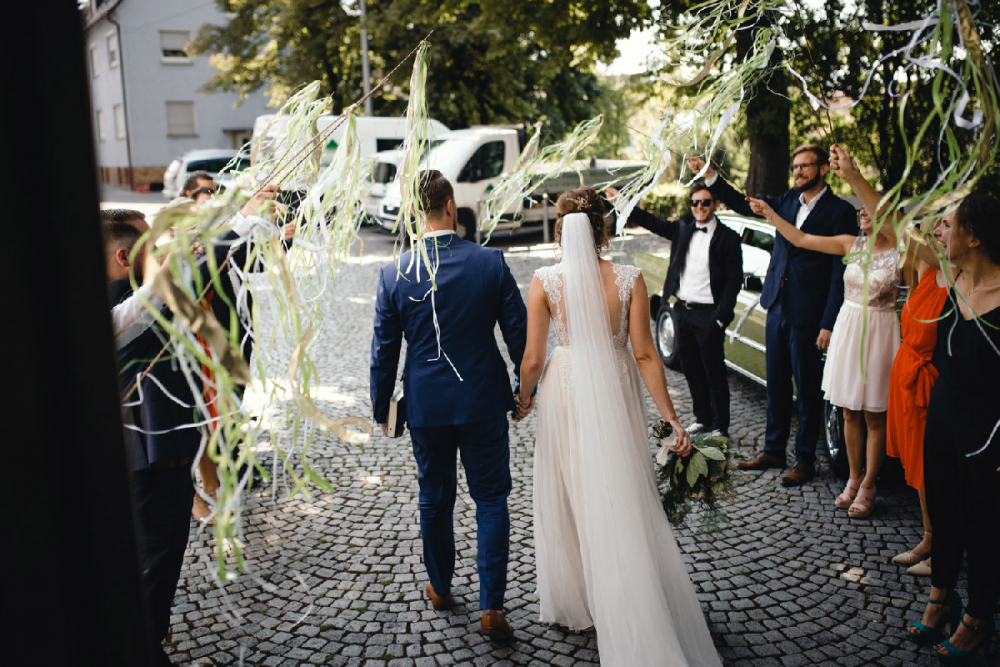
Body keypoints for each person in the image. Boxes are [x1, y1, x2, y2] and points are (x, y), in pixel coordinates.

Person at [518, 186, 722, 666]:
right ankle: (629, 594)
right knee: (621, 489)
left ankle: (585, 599)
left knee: (573, 491)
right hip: (615, 382)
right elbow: (647, 354)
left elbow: (532, 357)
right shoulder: (630, 278)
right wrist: (672, 419)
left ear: (559, 229)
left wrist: (523, 399)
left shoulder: (544, 281)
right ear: (603, 230)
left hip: (565, 389)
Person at [104, 190, 273, 665]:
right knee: (151, 571)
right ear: (123, 256)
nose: (157, 252)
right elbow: (165, 290)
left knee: (158, 568)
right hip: (149, 469)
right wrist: (240, 221)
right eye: (148, 244)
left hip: (165, 464)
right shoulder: (120, 312)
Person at [369, 170, 528, 640]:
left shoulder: (393, 273)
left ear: (415, 214)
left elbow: (384, 350)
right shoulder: (491, 263)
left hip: (427, 407)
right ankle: (492, 608)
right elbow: (519, 335)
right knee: (491, 498)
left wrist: (382, 408)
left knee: (434, 499)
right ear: (451, 209)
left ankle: (439, 587)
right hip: (482, 402)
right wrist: (525, 389)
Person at [689, 148, 857, 486]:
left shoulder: (841, 212)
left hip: (809, 313)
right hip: (777, 305)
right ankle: (773, 448)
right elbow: (741, 202)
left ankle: (806, 458)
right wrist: (710, 176)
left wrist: (828, 321)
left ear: (823, 169)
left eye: (804, 166)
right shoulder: (786, 200)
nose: (797, 171)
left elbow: (842, 273)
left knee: (808, 388)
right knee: (776, 384)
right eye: (794, 166)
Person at [828, 144, 950, 574]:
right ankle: (931, 539)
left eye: (944, 225)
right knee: (919, 463)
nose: (934, 231)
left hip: (930, 374)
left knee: (933, 464)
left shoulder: (944, 269)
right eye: (933, 225)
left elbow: (898, 230)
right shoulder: (924, 266)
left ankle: (941, 547)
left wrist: (855, 178)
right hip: (907, 368)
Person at [745, 197, 900, 519]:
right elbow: (801, 239)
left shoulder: (902, 254)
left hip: (880, 331)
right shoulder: (850, 243)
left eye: (870, 209)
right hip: (849, 327)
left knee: (874, 415)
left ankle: (870, 483)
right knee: (848, 413)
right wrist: (771, 214)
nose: (862, 212)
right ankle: (854, 476)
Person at [902, 194, 1000, 664]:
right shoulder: (952, 277)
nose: (938, 231)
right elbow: (893, 225)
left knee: (982, 521)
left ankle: (979, 616)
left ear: (975, 237)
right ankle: (942, 596)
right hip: (942, 415)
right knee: (943, 511)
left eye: (949, 224)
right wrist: (854, 177)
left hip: (988, 429)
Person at [606, 181, 742, 437]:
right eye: (695, 203)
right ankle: (703, 418)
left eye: (705, 202)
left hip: (709, 315)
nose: (699, 207)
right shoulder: (682, 228)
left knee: (714, 371)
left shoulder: (728, 238)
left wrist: (721, 318)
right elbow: (652, 222)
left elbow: (734, 281)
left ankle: (721, 426)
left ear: (715, 204)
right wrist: (622, 203)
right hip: (682, 312)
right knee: (690, 367)